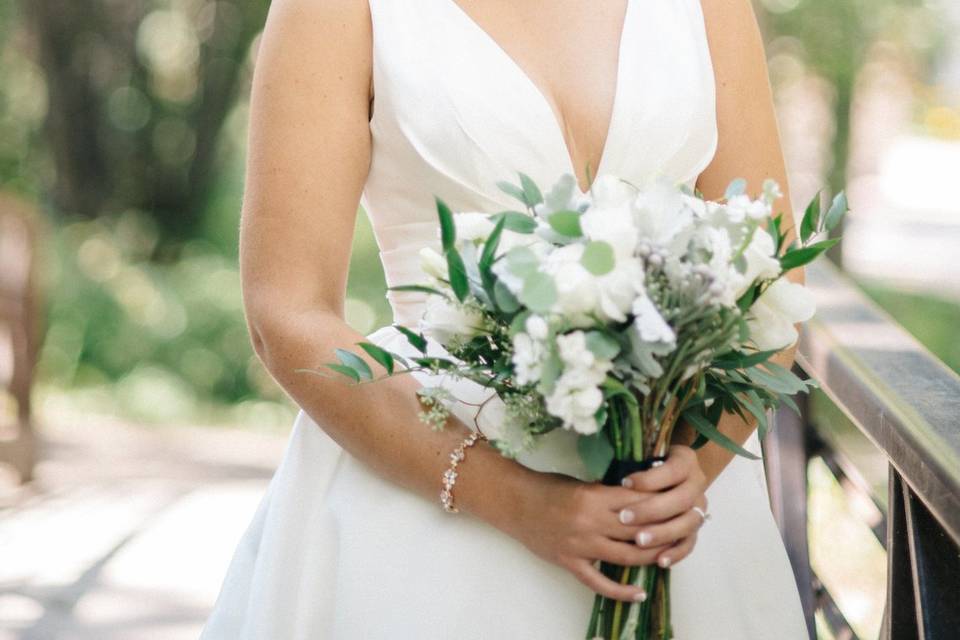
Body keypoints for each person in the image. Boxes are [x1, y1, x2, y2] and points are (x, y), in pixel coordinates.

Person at [200, 0, 809, 637]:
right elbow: (287, 314)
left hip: (676, 517)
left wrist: (694, 462)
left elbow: (772, 280)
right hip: (429, 517)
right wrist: (513, 499)